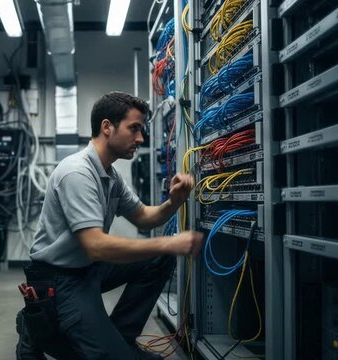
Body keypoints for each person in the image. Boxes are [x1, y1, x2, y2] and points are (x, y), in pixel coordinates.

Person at [16, 92, 204, 360]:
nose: (140, 138)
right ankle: (34, 325)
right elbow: (95, 246)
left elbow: (144, 216)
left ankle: (120, 338)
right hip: (58, 279)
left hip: (87, 270)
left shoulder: (110, 176)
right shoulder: (77, 172)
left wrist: (173, 202)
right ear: (107, 127)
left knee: (159, 258)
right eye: (134, 128)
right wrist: (168, 241)